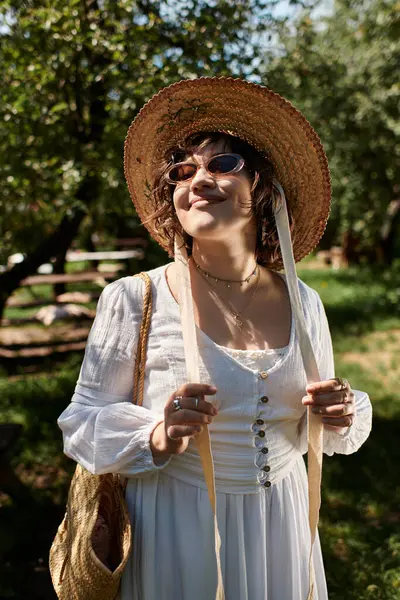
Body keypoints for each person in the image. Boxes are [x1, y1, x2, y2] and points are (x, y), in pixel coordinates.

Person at [58, 78, 372, 600]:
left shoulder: (305, 301)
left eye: (222, 164)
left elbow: (324, 423)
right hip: (177, 527)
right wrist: (158, 433)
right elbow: (81, 423)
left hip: (285, 523)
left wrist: (337, 411)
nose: (197, 179)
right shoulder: (133, 299)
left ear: (264, 187)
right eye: (182, 171)